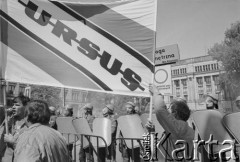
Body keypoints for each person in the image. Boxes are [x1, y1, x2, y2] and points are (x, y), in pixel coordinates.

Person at [146, 84, 194, 162]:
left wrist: (156, 92)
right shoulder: (179, 129)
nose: (167, 112)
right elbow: (161, 149)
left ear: (175, 113)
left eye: (169, 109)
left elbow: (159, 109)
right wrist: (151, 132)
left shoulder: (179, 128)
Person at [2, 95, 30, 162]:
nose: (13, 107)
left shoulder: (30, 123)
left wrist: (13, 142)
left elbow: (31, 147)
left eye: (17, 105)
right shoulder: (10, 119)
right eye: (13, 105)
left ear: (26, 107)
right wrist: (6, 118)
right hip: (6, 158)